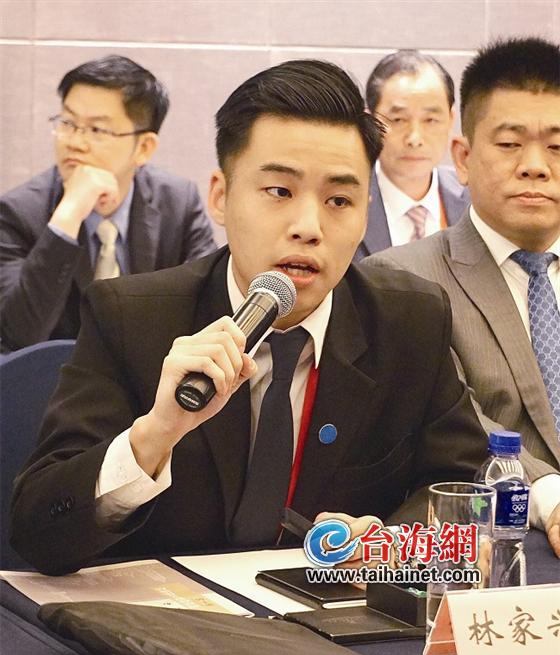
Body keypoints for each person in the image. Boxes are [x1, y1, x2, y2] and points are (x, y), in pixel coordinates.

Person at [10, 59, 488, 575]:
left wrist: (391, 542)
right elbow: (37, 532)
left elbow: (461, 486)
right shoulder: (129, 317)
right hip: (168, 614)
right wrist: (154, 435)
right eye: (279, 192)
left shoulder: (410, 320)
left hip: (332, 611)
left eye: (339, 200)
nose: (308, 227)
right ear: (220, 196)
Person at [365, 37, 560, 556]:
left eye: (557, 147)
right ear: (465, 158)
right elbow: (456, 424)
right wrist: (550, 496)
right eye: (510, 143)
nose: (535, 166)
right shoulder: (401, 281)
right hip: (493, 548)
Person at [0, 55, 216, 352]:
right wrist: (67, 217)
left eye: (97, 130)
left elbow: (209, 309)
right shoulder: (19, 212)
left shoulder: (178, 205)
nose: (74, 142)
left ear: (144, 147)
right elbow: (18, 336)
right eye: (67, 123)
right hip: (55, 377)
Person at [355, 50, 469, 260]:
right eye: (398, 120)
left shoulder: (475, 199)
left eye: (430, 120)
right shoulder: (347, 199)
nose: (414, 138)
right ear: (370, 123)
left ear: (451, 120)